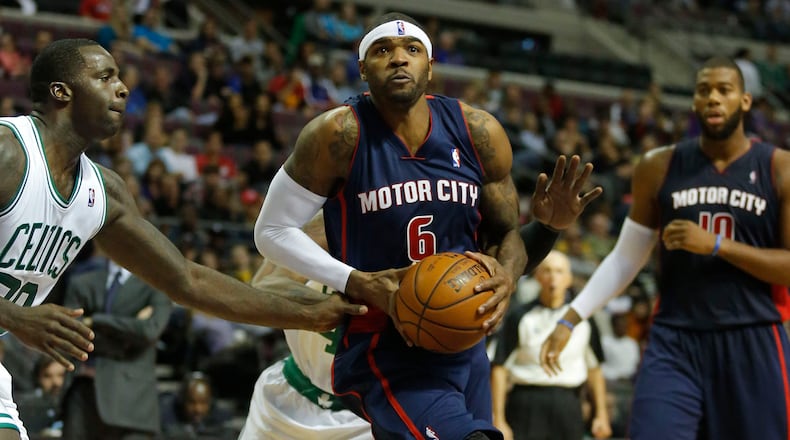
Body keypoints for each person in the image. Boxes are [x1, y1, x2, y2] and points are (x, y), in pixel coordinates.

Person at [255, 13, 600, 440]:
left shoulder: (477, 132)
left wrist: (541, 235)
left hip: (464, 339)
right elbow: (270, 232)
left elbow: (506, 240)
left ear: (430, 65)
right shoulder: (337, 134)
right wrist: (357, 281)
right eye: (383, 50)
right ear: (362, 68)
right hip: (384, 344)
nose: (399, 59)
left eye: (412, 50)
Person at [0, 38, 364, 440]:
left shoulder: (103, 191)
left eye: (120, 77)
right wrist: (15, 316)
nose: (122, 88)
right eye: (105, 77)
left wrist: (309, 315)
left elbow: (188, 281)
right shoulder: (8, 152)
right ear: (60, 91)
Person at [540, 56, 790, 440]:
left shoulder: (779, 168)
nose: (713, 99)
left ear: (745, 100)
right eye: (704, 90)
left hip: (752, 334)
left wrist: (718, 245)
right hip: (676, 337)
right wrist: (572, 317)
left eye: (724, 90)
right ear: (692, 102)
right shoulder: (659, 165)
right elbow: (625, 258)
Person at [240, 211, 373, 440]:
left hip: (366, 416)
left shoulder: (416, 241)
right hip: (289, 400)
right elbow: (261, 288)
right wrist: (322, 303)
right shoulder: (331, 220)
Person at [491, 251, 611, 440]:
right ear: (538, 277)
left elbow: (595, 370)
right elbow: (499, 368)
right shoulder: (519, 316)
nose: (553, 277)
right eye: (547, 271)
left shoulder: (584, 320)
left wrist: (601, 414)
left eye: (559, 271)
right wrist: (498, 418)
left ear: (569, 278)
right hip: (526, 403)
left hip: (569, 403)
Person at [60, 259, 172, 439]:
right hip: (83, 392)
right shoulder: (82, 282)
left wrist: (95, 320)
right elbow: (68, 332)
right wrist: (130, 328)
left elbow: (149, 331)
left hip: (133, 403)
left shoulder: (158, 284)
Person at [159, 371, 235, 439]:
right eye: (192, 402)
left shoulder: (222, 420)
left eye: (203, 402)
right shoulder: (166, 417)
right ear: (182, 400)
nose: (198, 409)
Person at [15, 356, 66, 438]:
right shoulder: (27, 407)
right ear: (38, 378)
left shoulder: (79, 406)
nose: (56, 382)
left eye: (61, 375)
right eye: (47, 376)